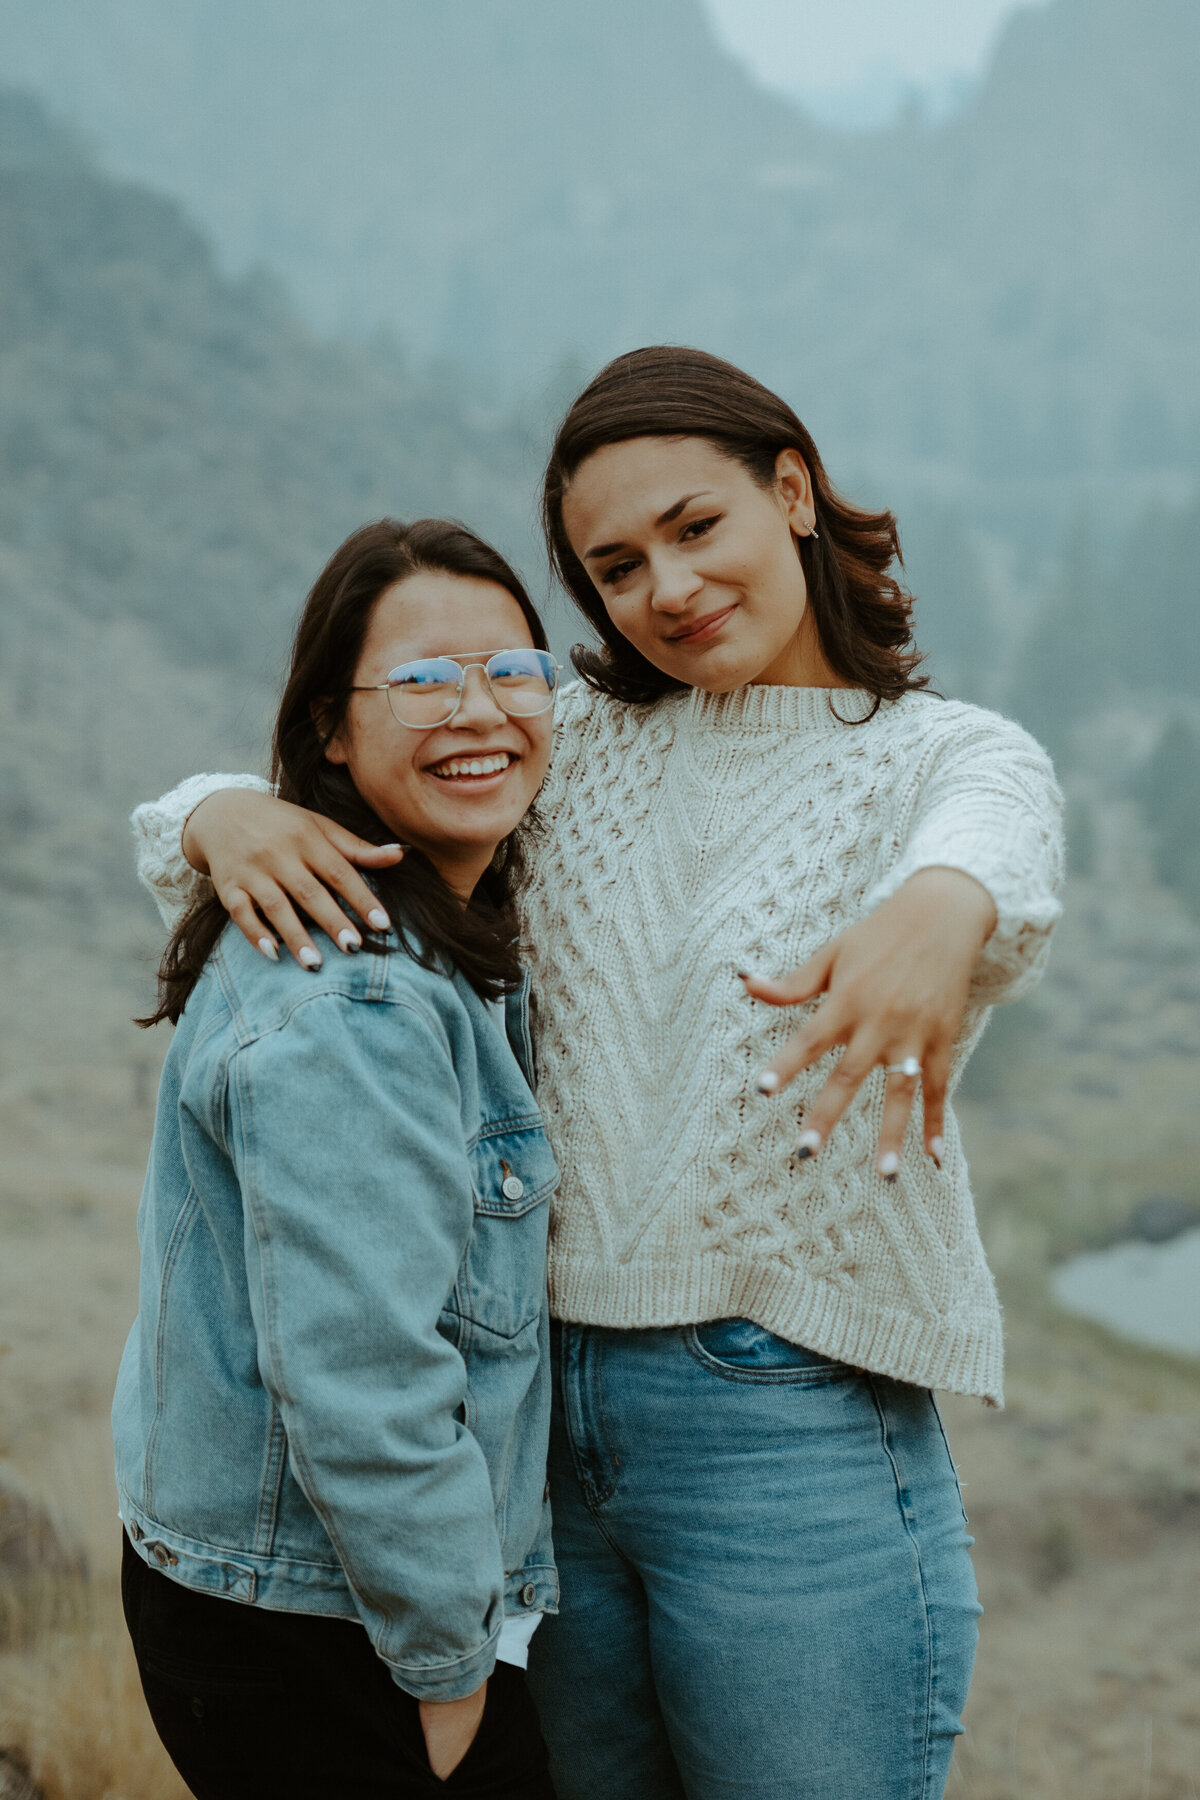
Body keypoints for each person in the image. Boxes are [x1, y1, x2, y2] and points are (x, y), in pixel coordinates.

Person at [132, 347, 1064, 1800]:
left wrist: (945, 905)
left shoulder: (934, 763)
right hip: (529, 1427)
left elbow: (1005, 819)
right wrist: (222, 812)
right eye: (615, 567)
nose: (667, 590)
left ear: (796, 494)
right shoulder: (577, 732)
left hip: (781, 1421)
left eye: (698, 529)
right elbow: (385, 738)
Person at [114, 518, 563, 1799]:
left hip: (286, 1593)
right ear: (331, 728)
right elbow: (365, 1377)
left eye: (513, 670)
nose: (479, 709)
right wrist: (450, 1672)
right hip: (328, 1626)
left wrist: (212, 810)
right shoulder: (356, 1001)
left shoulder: (429, 918)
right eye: (422, 680)